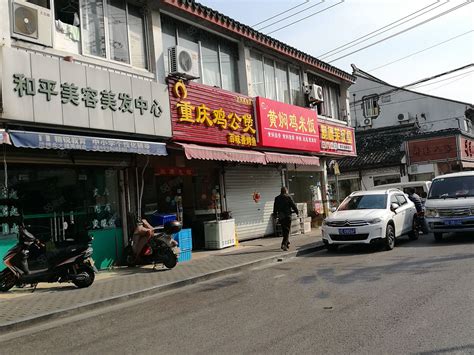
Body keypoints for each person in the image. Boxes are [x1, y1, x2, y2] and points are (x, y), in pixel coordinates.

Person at [273, 187, 299, 251]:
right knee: (287, 231)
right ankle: (284, 244)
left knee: (284, 230)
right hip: (287, 216)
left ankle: (287, 243)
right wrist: (297, 212)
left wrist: (275, 215)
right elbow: (293, 205)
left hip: (281, 216)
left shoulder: (277, 198)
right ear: (286, 191)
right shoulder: (288, 197)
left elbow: (275, 207)